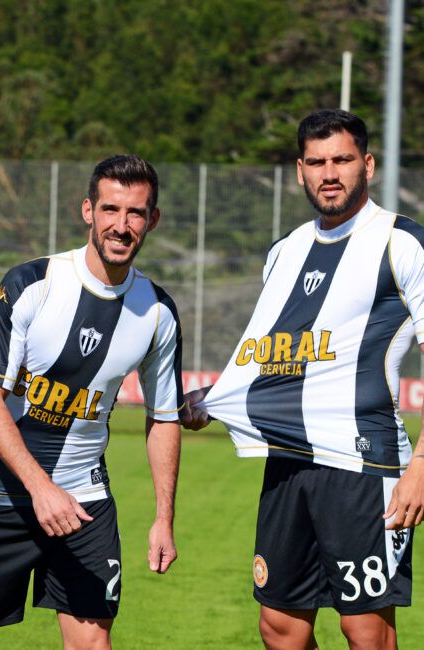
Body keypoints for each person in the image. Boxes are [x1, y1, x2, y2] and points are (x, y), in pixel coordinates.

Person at [184, 109, 424, 649]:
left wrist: (421, 469)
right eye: (316, 162)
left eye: (342, 159)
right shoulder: (285, 251)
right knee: (280, 627)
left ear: (367, 164)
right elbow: (274, 355)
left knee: (365, 631)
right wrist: (217, 398)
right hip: (289, 460)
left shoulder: (404, 243)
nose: (329, 172)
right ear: (300, 170)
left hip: (366, 465)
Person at [0, 155, 182, 649]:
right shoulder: (31, 285)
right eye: (111, 209)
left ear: (152, 220)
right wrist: (40, 488)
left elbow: (164, 418)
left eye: (135, 213)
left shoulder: (157, 312)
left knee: (92, 643)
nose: (122, 225)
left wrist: (163, 518)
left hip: (83, 498)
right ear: (87, 210)